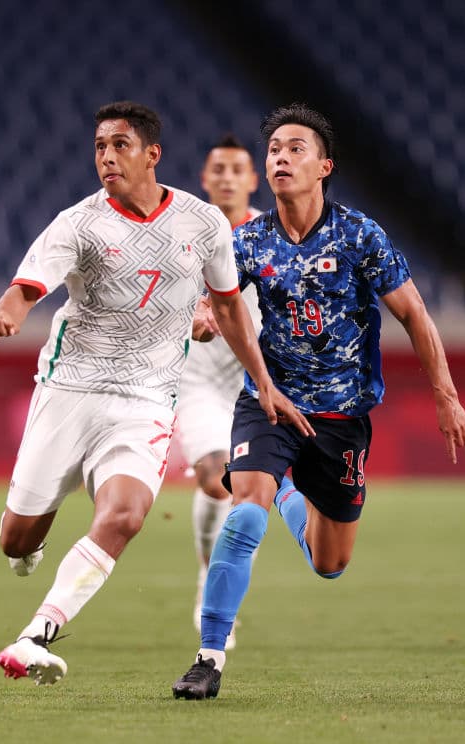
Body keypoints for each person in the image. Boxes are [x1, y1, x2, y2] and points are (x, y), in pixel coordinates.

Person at [0, 100, 313, 686]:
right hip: (71, 390)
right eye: (99, 147)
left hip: (148, 397)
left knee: (127, 515)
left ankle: (37, 635)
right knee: (16, 539)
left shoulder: (201, 223)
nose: (106, 157)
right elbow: (27, 286)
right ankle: (27, 549)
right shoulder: (79, 223)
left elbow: (232, 306)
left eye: (119, 145)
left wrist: (263, 382)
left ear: (152, 154)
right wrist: (8, 311)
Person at [172, 103, 465, 700]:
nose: (281, 157)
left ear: (324, 165)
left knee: (329, 563)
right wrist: (207, 317)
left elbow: (414, 312)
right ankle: (208, 658)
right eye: (275, 149)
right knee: (243, 518)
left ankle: (290, 490)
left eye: (295, 149)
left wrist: (446, 395)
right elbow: (222, 302)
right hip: (270, 401)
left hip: (340, 419)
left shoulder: (361, 235)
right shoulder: (248, 240)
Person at [175, 134, 263, 650]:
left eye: (237, 169)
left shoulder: (271, 235)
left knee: (248, 494)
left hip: (254, 377)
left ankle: (216, 588)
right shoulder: (183, 233)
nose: (227, 177)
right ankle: (210, 578)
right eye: (219, 169)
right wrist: (190, 314)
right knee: (216, 479)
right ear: (206, 179)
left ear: (251, 181)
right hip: (200, 378)